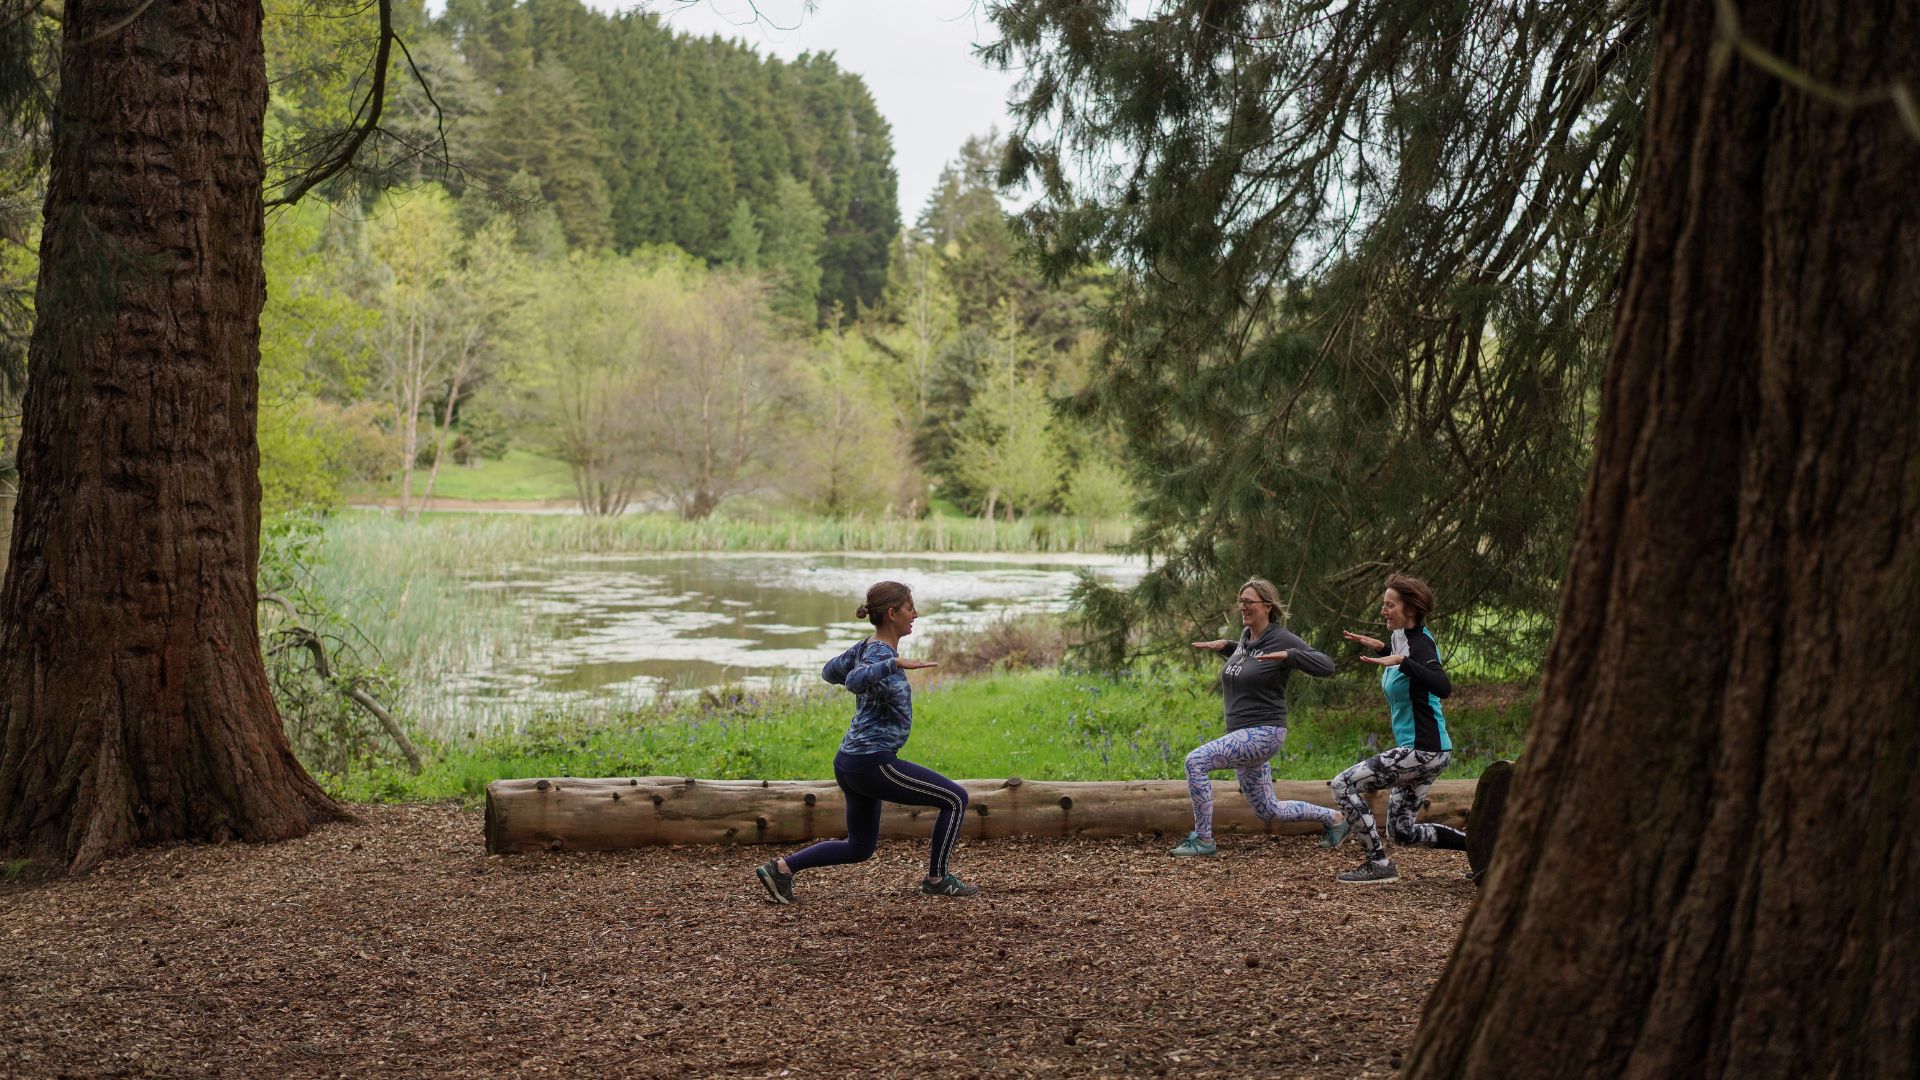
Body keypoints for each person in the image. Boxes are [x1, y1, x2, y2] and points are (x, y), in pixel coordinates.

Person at [755, 581, 979, 903]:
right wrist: (892, 664)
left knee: (859, 848)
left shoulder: (866, 647)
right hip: (873, 762)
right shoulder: (879, 653)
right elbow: (851, 681)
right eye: (909, 608)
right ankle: (937, 878)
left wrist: (865, 660)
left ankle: (781, 869)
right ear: (892, 613)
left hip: (851, 762)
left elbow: (829, 671)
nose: (915, 614)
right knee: (955, 799)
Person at [1171, 577, 1342, 856]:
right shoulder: (1246, 637)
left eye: (1249, 602)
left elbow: (1326, 665)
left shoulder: (1281, 637)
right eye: (1240, 601)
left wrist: (1290, 656)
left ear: (1267, 606)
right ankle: (1334, 819)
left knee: (1195, 761)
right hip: (1241, 734)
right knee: (1267, 809)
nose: (1243, 607)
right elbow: (1251, 662)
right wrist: (1226, 647)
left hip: (1265, 732)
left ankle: (1203, 840)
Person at [1324, 573, 1469, 884]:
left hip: (1422, 749)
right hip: (1431, 750)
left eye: (1390, 605)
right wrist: (1381, 650)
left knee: (1342, 784)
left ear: (1411, 610)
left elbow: (1442, 686)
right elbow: (1406, 664)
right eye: (1384, 604)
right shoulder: (1402, 638)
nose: (1383, 610)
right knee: (1401, 831)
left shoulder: (1420, 645)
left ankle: (1377, 863)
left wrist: (1401, 662)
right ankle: (1480, 846)